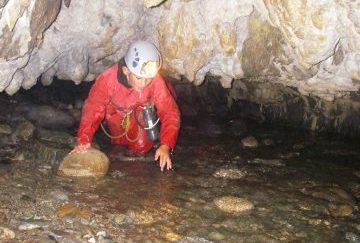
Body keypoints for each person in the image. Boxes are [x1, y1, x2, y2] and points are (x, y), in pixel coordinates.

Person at [71, 40, 181, 171]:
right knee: (118, 145)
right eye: (139, 78)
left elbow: (170, 112)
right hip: (115, 112)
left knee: (141, 148)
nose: (144, 83)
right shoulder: (107, 80)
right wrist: (84, 139)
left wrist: (166, 145)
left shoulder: (155, 81)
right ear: (126, 71)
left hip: (139, 111)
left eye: (149, 79)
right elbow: (93, 109)